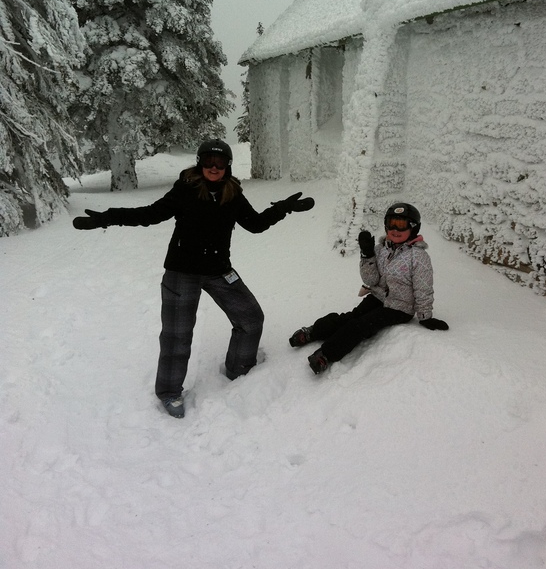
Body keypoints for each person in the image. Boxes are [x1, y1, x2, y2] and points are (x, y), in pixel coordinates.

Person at [73, 139, 314, 417]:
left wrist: (284, 207)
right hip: (182, 271)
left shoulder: (232, 193)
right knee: (177, 336)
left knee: (250, 318)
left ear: (228, 166)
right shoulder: (186, 189)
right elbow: (151, 214)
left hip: (219, 270)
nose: (214, 167)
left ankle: (240, 368)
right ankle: (169, 392)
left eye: (220, 163)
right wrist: (106, 218)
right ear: (200, 163)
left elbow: (256, 224)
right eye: (208, 162)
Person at [289, 202, 448, 374]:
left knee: (361, 325)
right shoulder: (380, 249)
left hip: (399, 307)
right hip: (378, 296)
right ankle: (314, 332)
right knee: (350, 317)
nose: (395, 229)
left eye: (401, 225)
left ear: (413, 228)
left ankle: (326, 354)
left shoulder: (418, 257)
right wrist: (367, 255)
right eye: (392, 223)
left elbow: (423, 288)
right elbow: (371, 280)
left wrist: (425, 316)